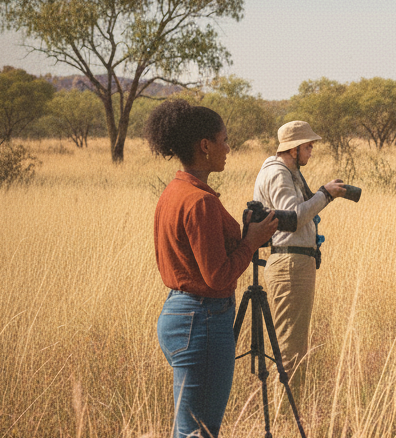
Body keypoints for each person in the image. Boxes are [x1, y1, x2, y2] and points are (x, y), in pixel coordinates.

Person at [150, 99, 279, 437]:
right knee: (199, 432)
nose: (228, 148)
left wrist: (245, 235)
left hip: (179, 313)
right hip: (204, 319)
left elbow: (197, 259)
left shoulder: (175, 192)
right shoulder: (201, 201)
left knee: (190, 428)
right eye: (224, 140)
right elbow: (218, 275)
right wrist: (251, 241)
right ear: (204, 146)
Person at [252, 121, 349, 393]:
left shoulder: (287, 171)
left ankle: (288, 409)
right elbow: (293, 218)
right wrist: (325, 194)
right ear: (293, 149)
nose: (311, 151)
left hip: (295, 262)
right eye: (308, 146)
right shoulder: (278, 174)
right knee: (290, 347)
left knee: (293, 342)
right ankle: (285, 412)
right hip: (290, 263)